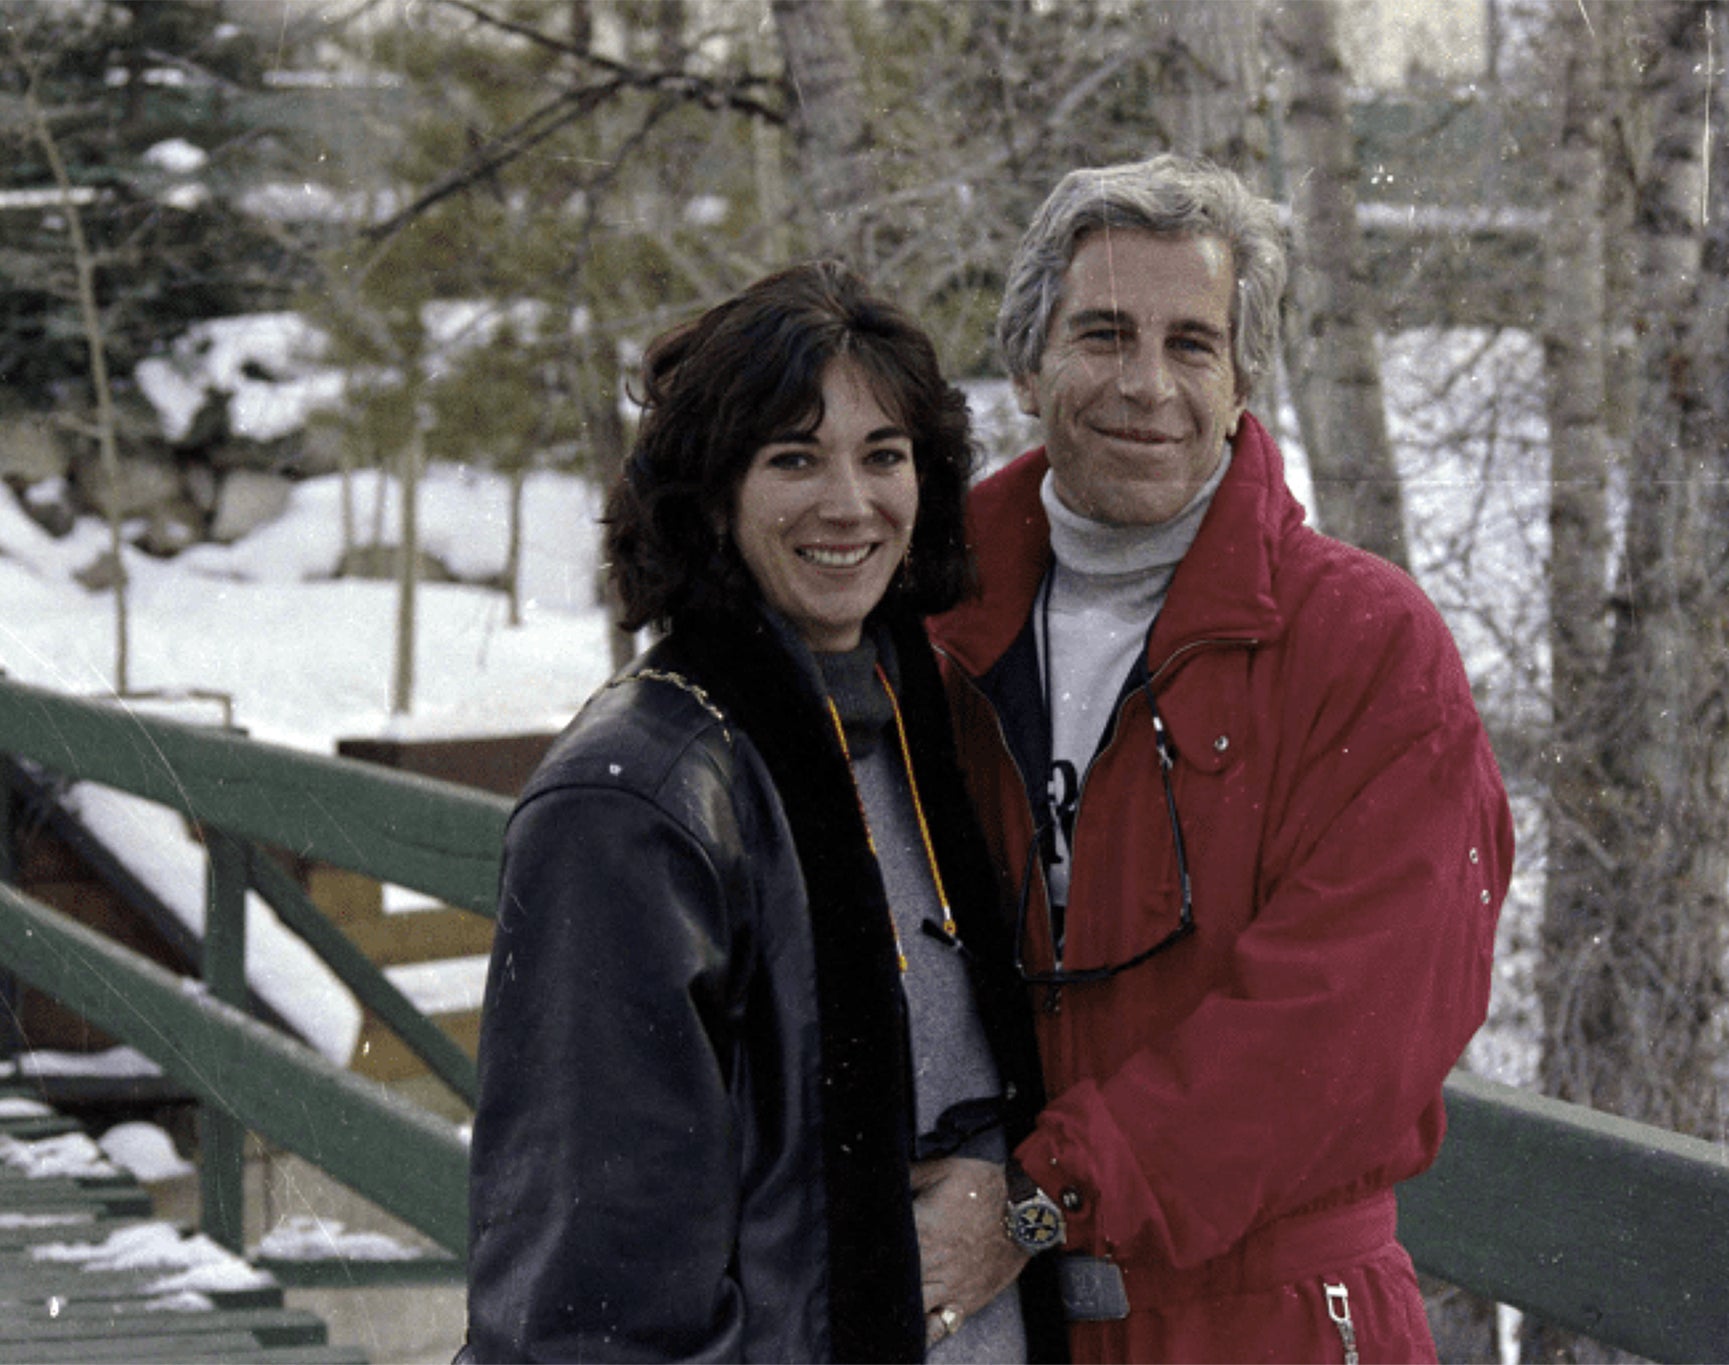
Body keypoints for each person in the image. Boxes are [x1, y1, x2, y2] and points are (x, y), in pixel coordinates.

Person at [914, 155, 1514, 1362]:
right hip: (996, 1322)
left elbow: (1349, 1029)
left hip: (1270, 1322)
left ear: (1243, 384)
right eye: (1101, 333)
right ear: (1027, 368)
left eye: (1191, 344)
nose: (1145, 384)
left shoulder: (1361, 644)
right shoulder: (928, 619)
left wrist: (1047, 1194)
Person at [462, 261, 1062, 1362]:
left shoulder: (918, 729)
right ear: (711, 493)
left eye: (883, 456)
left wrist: (1015, 1198)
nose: (849, 503)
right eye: (793, 459)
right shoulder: (633, 801)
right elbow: (589, 1292)